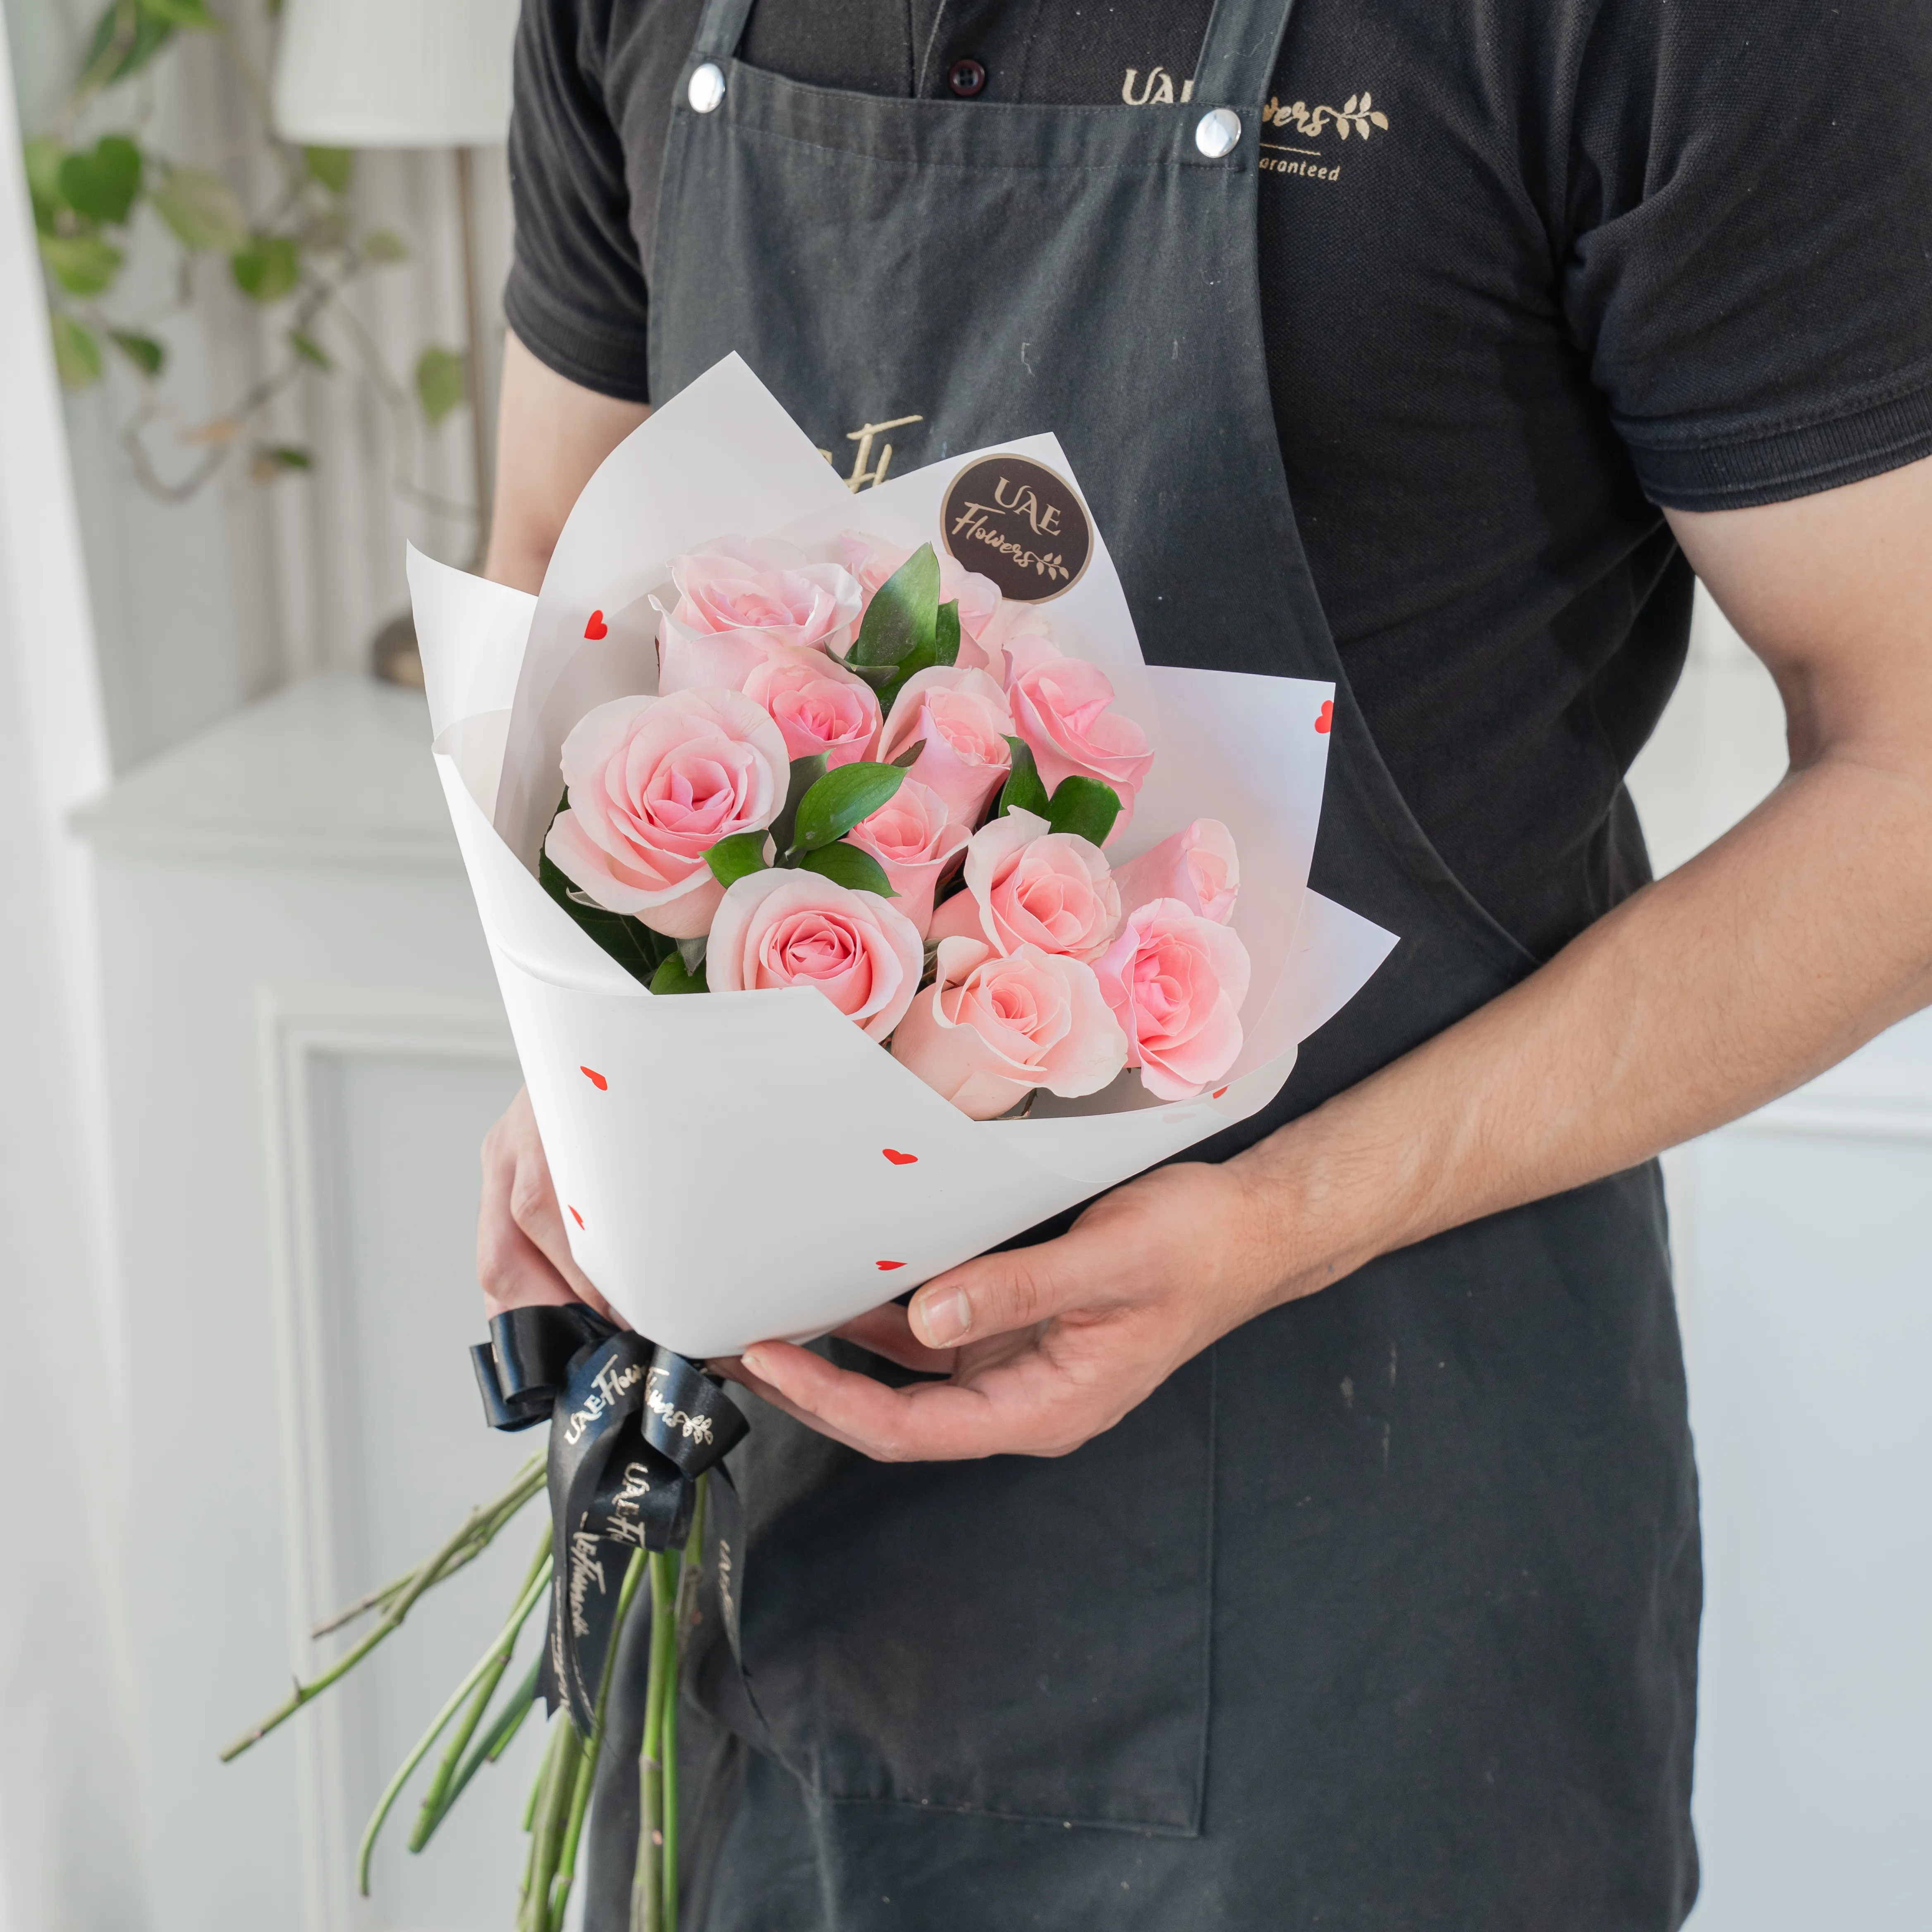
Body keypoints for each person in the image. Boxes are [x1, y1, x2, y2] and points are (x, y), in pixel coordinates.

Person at [473, 0, 1932, 1924]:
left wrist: (1289, 1216)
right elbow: (556, 550)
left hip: (1369, 1542)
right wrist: (592, 1061)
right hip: (750, 1525)